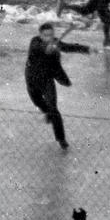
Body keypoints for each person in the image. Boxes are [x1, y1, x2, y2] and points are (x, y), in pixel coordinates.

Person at [25, 22, 90, 150]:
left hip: (47, 79)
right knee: (38, 102)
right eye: (46, 35)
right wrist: (47, 48)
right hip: (32, 79)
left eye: (51, 35)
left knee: (53, 108)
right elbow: (39, 47)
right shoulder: (35, 42)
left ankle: (61, 139)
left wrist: (87, 49)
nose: (49, 37)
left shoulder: (56, 43)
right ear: (40, 35)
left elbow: (69, 47)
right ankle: (46, 112)